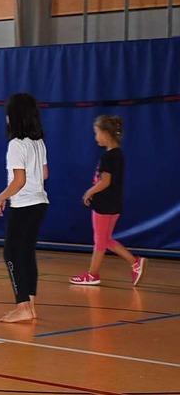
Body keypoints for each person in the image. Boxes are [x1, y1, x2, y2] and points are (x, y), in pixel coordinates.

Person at [70, 115, 145, 286]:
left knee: (100, 241)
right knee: (105, 239)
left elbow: (105, 181)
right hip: (114, 204)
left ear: (105, 134)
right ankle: (135, 262)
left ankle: (92, 274)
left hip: (104, 205)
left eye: (96, 133)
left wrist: (89, 192)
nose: (95, 137)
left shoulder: (109, 157)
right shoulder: (118, 155)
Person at [0, 93, 49, 323]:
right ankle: (30, 305)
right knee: (26, 253)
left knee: (11, 253)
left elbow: (19, 180)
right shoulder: (39, 143)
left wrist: (2, 196)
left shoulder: (16, 145)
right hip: (39, 203)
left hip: (24, 205)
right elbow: (45, 174)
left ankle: (22, 305)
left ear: (14, 117)